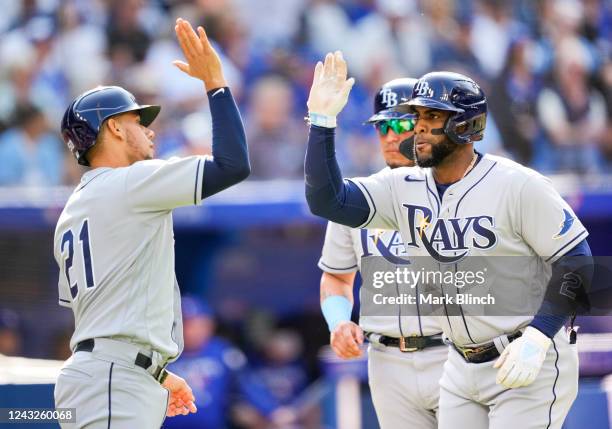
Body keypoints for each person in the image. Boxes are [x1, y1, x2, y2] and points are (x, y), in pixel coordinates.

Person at [304, 51, 592, 429]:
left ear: (465, 125)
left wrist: (539, 338)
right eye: (418, 117)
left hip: (523, 353)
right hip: (459, 366)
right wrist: (322, 122)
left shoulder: (517, 184)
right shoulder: (399, 186)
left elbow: (578, 263)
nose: (418, 128)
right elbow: (327, 200)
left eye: (432, 116)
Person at [53, 18, 250, 428]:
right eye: (138, 120)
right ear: (113, 128)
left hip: (108, 374)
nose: (149, 129)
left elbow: (110, 311)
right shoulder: (129, 183)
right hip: (112, 380)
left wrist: (154, 370)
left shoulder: (75, 208)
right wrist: (216, 82)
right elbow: (233, 165)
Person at [317, 78, 447, 428]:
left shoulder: (458, 189)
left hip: (455, 354)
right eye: (383, 126)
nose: (390, 136)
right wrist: (339, 321)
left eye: (401, 124)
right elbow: (336, 277)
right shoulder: (356, 197)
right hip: (388, 360)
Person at [164, 296, 286, 429]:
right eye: (186, 324)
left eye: (199, 324)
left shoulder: (223, 352)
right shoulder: (161, 353)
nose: (191, 331)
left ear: (210, 325)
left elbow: (248, 384)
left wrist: (272, 411)